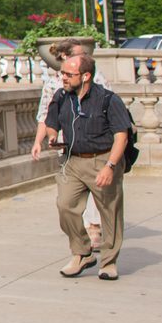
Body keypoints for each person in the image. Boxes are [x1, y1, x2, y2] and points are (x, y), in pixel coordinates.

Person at [33, 46, 129, 280]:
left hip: (102, 159)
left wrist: (110, 166)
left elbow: (121, 136)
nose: (62, 78)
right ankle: (82, 252)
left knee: (110, 212)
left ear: (85, 76)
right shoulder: (60, 96)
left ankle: (108, 261)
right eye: (62, 73)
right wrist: (51, 136)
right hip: (72, 160)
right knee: (65, 205)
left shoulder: (108, 100)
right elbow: (51, 121)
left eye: (68, 74)